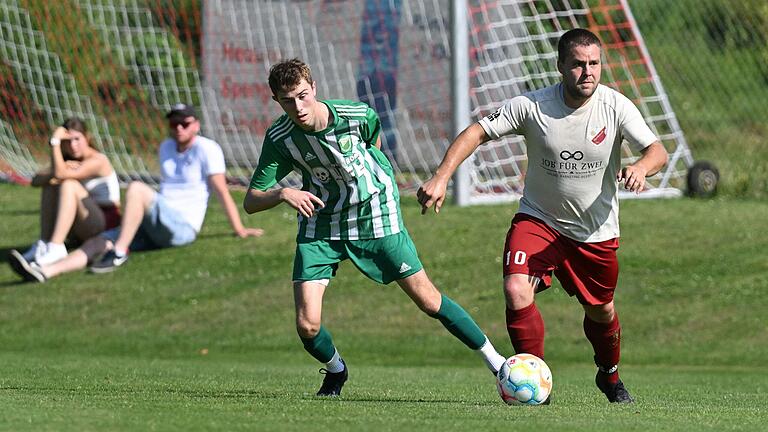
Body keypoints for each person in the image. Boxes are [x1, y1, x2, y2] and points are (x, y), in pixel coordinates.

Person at [417, 28, 669, 404]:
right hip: (539, 221)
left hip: (594, 231)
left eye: (594, 64)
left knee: (601, 311)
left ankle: (610, 376)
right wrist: (441, 177)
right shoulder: (532, 105)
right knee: (516, 289)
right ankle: (534, 385)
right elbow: (477, 132)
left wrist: (641, 167)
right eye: (578, 64)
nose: (588, 72)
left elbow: (657, 150)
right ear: (560, 66)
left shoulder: (615, 106)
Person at [243, 58, 507, 397]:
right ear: (276, 101)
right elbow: (251, 201)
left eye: (303, 95)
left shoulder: (355, 115)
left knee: (428, 301)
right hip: (322, 221)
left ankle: (497, 363)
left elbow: (373, 145)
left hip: (375, 214)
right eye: (287, 100)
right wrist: (283, 192)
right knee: (307, 325)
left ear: (314, 89)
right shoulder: (281, 137)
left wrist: (370, 185)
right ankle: (336, 370)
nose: (298, 106)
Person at [11, 103, 263, 283]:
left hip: (182, 227)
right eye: (173, 123)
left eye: (184, 123)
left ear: (196, 125)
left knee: (136, 188)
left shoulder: (208, 149)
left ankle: (119, 253)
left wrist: (239, 229)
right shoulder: (166, 146)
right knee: (97, 243)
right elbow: (45, 178)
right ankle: (44, 270)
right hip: (154, 221)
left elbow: (221, 190)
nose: (178, 129)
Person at [9, 118, 121, 273]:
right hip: (82, 225)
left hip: (104, 225)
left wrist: (54, 142)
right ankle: (45, 244)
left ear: (87, 138)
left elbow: (61, 173)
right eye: (67, 141)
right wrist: (59, 169)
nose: (73, 145)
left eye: (77, 139)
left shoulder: (98, 160)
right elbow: (36, 181)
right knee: (51, 184)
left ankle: (56, 248)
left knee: (68, 183)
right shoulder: (69, 159)